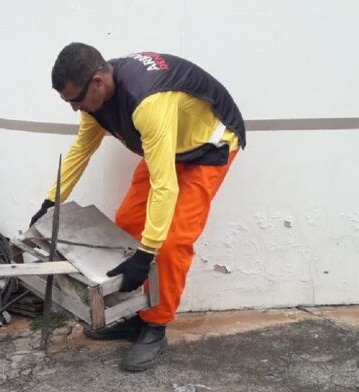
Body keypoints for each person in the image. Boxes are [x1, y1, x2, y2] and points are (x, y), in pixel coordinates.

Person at [31, 43, 245, 371]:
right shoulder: (94, 103)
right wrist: (50, 201)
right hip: (171, 144)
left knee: (171, 243)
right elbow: (80, 152)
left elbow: (165, 185)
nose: (74, 109)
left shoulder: (148, 102)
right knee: (128, 222)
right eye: (67, 101)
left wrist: (146, 256)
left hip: (208, 148)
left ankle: (155, 327)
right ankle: (139, 314)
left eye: (75, 100)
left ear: (98, 81)